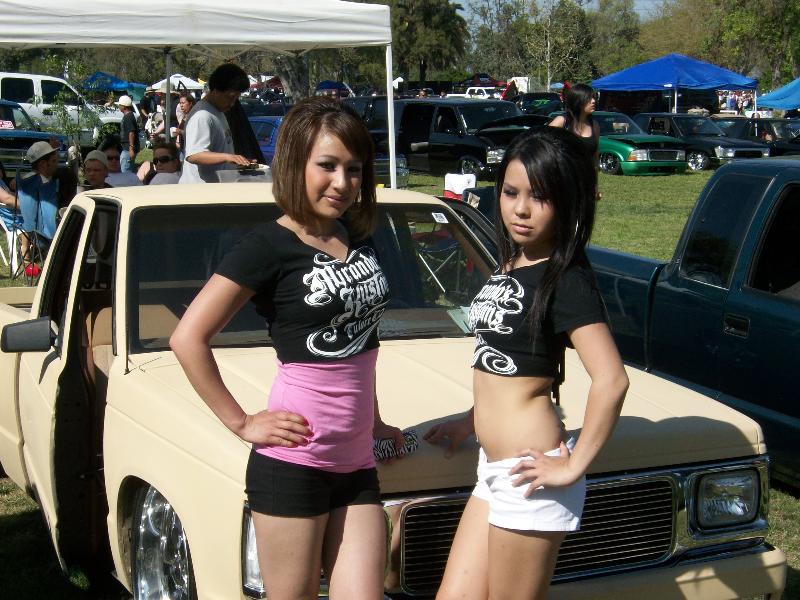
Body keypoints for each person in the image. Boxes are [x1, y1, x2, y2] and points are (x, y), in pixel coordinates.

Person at [169, 96, 404, 599]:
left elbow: (359, 338)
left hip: (356, 463)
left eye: (354, 169)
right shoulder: (267, 246)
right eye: (328, 166)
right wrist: (241, 422)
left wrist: (376, 419)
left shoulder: (356, 237)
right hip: (294, 463)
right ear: (295, 164)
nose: (343, 182)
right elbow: (187, 337)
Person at [425, 128, 628, 600]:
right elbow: (510, 365)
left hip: (530, 475)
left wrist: (572, 466)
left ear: (568, 202)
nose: (520, 209)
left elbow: (612, 380)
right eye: (511, 192)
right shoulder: (511, 263)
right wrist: (471, 420)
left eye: (540, 197)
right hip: (494, 469)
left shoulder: (566, 277)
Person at [179, 63, 252, 183]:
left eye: (235, 99)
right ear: (216, 90)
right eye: (230, 97)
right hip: (200, 191)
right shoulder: (202, 115)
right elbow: (194, 155)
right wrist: (228, 157)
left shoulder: (217, 111)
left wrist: (237, 161)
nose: (232, 103)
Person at [548, 83, 600, 165]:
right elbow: (543, 148)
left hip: (586, 172)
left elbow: (595, 156)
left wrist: (595, 170)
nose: (593, 101)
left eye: (594, 97)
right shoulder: (562, 121)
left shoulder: (594, 125)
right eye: (589, 98)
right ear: (577, 101)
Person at [117, 95, 140, 173]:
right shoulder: (128, 116)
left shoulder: (128, 117)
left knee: (125, 171)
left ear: (124, 106)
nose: (119, 106)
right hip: (126, 148)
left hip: (128, 149)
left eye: (120, 105)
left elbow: (131, 132)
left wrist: (131, 148)